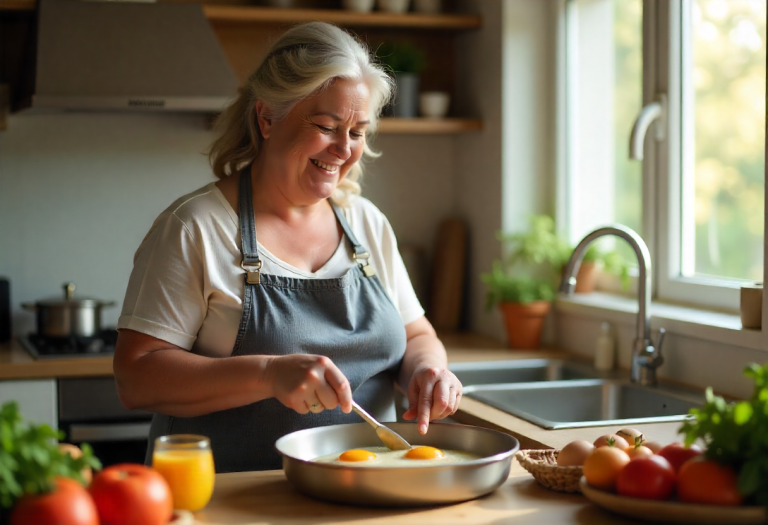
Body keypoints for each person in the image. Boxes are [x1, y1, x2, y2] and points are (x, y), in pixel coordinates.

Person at [113, 21, 463, 473]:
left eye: (357, 132)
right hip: (231, 503)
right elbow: (136, 376)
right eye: (326, 126)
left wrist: (428, 371)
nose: (344, 149)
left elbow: (418, 335)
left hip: (366, 496)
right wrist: (267, 374)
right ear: (266, 118)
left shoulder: (365, 222)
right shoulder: (195, 228)